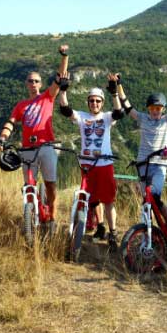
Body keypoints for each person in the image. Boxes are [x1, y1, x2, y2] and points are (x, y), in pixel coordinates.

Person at [0, 45, 69, 231]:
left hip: (46, 146)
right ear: (26, 84)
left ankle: (52, 215)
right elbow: (10, 122)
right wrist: (2, 138)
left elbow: (61, 76)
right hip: (27, 149)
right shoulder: (21, 105)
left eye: (37, 81)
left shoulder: (47, 97)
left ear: (41, 84)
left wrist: (64, 56)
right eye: (30, 81)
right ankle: (30, 215)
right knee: (29, 184)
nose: (33, 83)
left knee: (51, 184)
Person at [117, 70, 167, 231]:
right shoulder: (143, 118)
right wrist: (118, 85)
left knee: (156, 196)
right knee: (146, 199)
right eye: (152, 107)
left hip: (160, 165)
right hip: (143, 163)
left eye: (158, 108)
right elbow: (126, 105)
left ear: (163, 109)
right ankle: (148, 229)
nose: (155, 110)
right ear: (148, 108)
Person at [59, 73, 123, 249]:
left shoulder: (107, 117)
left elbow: (119, 113)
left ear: (102, 103)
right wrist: (63, 90)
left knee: (108, 200)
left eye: (98, 101)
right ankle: (100, 226)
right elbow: (65, 110)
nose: (94, 103)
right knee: (92, 199)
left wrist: (114, 93)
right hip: (86, 164)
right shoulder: (82, 116)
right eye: (91, 101)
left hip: (104, 164)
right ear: (87, 102)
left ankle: (113, 233)